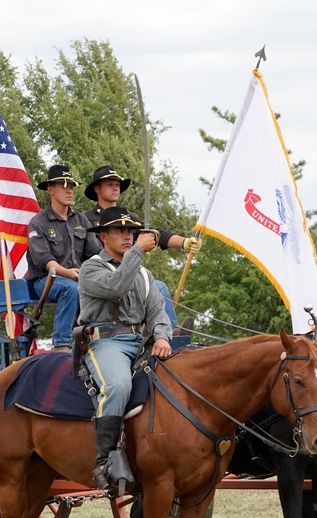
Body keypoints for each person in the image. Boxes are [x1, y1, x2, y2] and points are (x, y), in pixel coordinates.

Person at [78, 206, 173, 492]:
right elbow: (116, 287)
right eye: (120, 231)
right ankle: (106, 461)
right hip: (105, 343)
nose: (128, 237)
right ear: (103, 236)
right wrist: (139, 253)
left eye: (131, 231)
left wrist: (162, 337)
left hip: (141, 344)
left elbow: (158, 312)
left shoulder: (144, 275)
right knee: (118, 386)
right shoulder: (91, 268)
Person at [82, 165, 201, 329]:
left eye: (117, 184)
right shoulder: (85, 220)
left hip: (129, 274)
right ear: (97, 189)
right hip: (99, 278)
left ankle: (170, 333)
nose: (115, 188)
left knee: (158, 286)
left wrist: (184, 243)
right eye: (110, 184)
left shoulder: (129, 219)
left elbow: (156, 234)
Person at [26, 165, 101, 351]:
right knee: (71, 288)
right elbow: (44, 260)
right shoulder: (38, 222)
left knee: (109, 286)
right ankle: (61, 345)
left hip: (78, 278)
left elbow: (95, 254)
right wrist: (68, 273)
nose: (69, 190)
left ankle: (104, 337)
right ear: (50, 190)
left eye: (72, 186)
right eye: (63, 185)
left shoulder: (81, 220)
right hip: (46, 281)